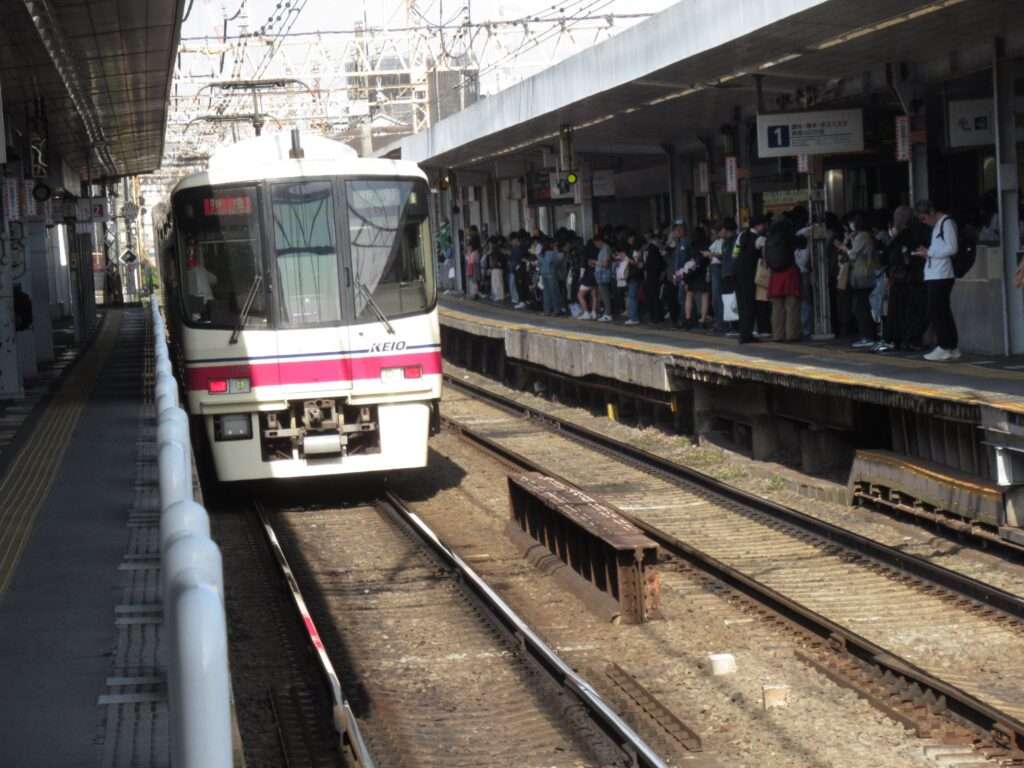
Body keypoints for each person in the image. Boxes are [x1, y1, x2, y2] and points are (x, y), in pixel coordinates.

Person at [914, 200, 961, 361]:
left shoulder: (946, 223)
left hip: (941, 275)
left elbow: (952, 248)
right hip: (937, 274)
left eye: (924, 218)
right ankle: (951, 346)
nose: (924, 222)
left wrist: (930, 252)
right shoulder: (939, 225)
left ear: (932, 212)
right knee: (942, 311)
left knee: (936, 310)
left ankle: (945, 346)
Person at [834, 213, 878, 348]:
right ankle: (868, 335)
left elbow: (852, 254)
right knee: (861, 306)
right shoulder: (863, 236)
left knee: (861, 307)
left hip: (863, 276)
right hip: (863, 276)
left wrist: (843, 246)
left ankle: (868, 336)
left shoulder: (863, 236)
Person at [765, 211, 801, 342]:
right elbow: (801, 243)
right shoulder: (788, 235)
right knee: (791, 305)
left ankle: (778, 335)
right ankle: (792, 335)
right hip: (789, 272)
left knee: (777, 308)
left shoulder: (769, 237)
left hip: (775, 275)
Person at [735, 215, 767, 343]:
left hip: (738, 273)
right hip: (751, 274)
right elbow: (764, 256)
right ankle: (747, 334)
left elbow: (735, 253)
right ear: (758, 226)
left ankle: (744, 332)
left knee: (741, 304)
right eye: (762, 225)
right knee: (750, 305)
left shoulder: (741, 236)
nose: (764, 227)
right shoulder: (760, 239)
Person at [593, 232, 614, 322]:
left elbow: (605, 264)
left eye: (596, 243)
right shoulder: (603, 249)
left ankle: (607, 313)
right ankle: (606, 312)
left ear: (600, 241)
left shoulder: (605, 249)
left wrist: (595, 262)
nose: (596, 245)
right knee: (604, 294)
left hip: (604, 275)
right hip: (601, 275)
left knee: (605, 295)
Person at [507, 232, 526, 308]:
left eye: (512, 241)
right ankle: (519, 300)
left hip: (519, 270)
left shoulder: (520, 248)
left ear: (515, 240)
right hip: (515, 269)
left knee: (520, 285)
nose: (511, 243)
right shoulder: (515, 249)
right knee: (516, 285)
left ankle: (521, 301)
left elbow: (518, 259)